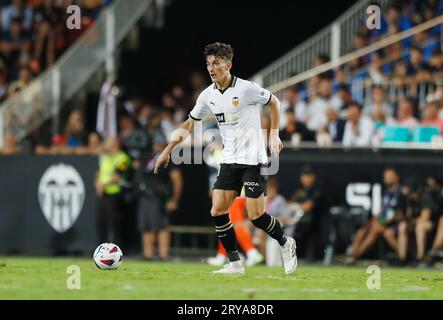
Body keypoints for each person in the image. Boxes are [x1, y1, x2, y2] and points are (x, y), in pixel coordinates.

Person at [154, 42, 297, 275]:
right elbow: (190, 123)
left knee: (256, 216)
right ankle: (235, 263)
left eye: (217, 63)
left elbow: (274, 102)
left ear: (228, 65)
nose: (212, 68)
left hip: (253, 160)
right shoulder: (207, 95)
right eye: (209, 63)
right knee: (217, 210)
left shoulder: (246, 89)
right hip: (230, 160)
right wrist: (167, 150)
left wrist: (273, 134)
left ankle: (285, 243)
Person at [136, 132, 183, 261]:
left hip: (160, 197)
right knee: (145, 225)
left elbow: (177, 180)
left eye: (161, 144)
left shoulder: (169, 158)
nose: (158, 146)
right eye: (157, 143)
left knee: (161, 226)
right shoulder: (147, 157)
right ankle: (148, 254)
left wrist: (174, 199)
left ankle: (163, 255)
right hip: (145, 195)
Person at [348, 167, 406, 261]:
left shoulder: (401, 192)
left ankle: (357, 255)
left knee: (376, 229)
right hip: (385, 221)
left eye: (389, 176)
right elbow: (383, 211)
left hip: (396, 223)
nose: (386, 178)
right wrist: (374, 220)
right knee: (363, 230)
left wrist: (381, 222)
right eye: (385, 176)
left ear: (396, 177)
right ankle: (352, 253)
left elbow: (396, 214)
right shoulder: (386, 192)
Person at [95, 137, 131, 246]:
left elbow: (117, 176)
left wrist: (103, 185)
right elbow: (98, 173)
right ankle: (101, 249)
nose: (105, 144)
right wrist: (97, 185)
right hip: (103, 195)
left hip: (114, 194)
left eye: (107, 142)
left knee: (114, 224)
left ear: (115, 144)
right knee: (100, 222)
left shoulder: (122, 158)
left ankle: (115, 250)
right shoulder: (106, 158)